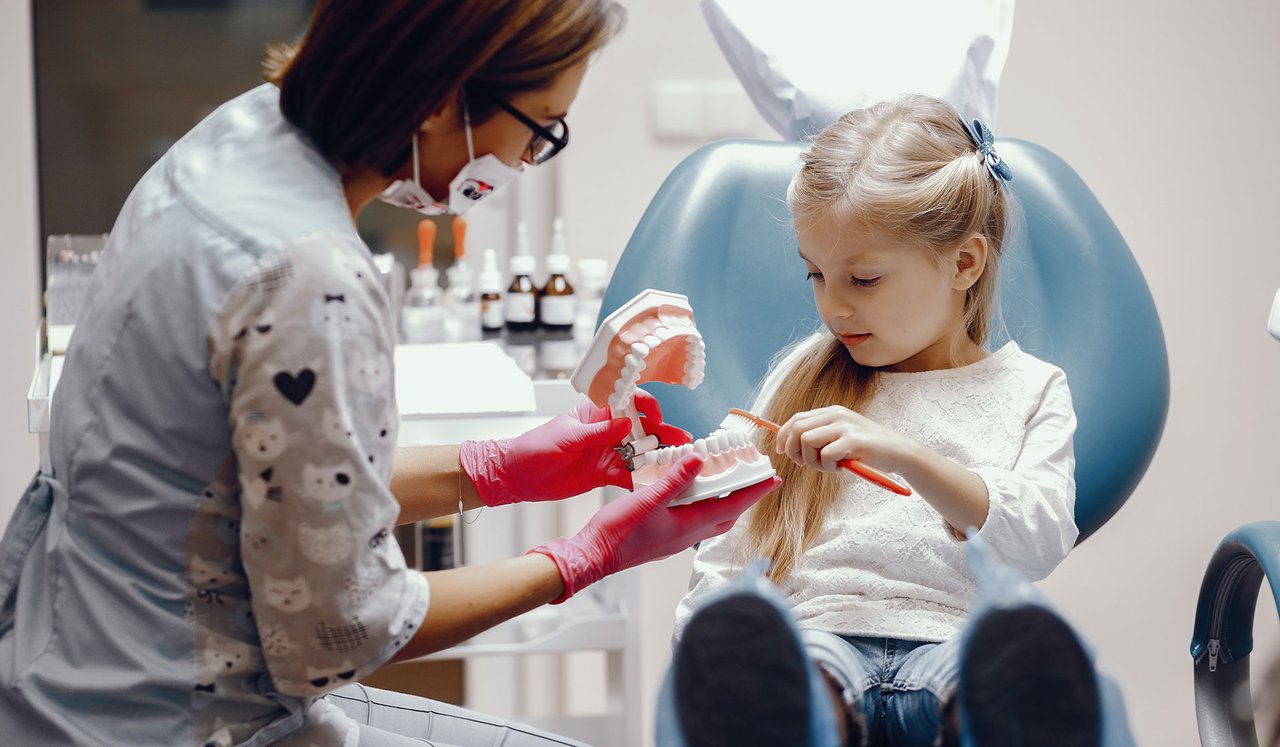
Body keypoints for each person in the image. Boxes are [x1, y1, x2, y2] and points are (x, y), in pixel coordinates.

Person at [0, 2, 778, 746]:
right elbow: (342, 631)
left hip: (66, 673)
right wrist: (587, 556)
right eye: (538, 129)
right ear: (445, 99)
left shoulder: (231, 139)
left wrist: (496, 470)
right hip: (172, 716)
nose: (522, 161)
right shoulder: (312, 279)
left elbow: (262, 492)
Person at [659, 95, 1108, 746]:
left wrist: (905, 454)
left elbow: (1037, 543)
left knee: (1003, 680)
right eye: (816, 274)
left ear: (965, 263)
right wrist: (700, 644)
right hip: (819, 633)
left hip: (952, 638)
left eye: (863, 279)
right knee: (782, 677)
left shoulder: (1032, 390)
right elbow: (736, 550)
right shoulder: (803, 377)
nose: (833, 305)